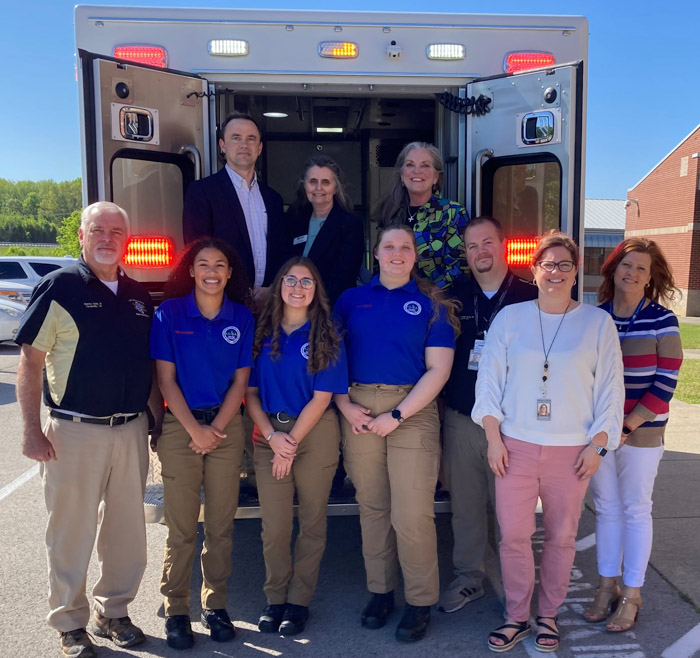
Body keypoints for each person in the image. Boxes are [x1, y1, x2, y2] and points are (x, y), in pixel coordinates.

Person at [15, 202, 158, 658]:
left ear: (127, 241)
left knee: (125, 531)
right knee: (70, 531)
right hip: (74, 431)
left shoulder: (138, 295)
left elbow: (148, 366)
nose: (107, 238)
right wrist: (31, 430)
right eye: (98, 229)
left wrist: (153, 423)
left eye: (117, 231)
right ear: (81, 235)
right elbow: (30, 361)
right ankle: (70, 623)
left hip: (131, 429)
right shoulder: (59, 287)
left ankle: (113, 611)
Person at [472, 231, 624, 653]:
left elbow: (612, 389)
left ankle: (548, 615)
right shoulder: (510, 318)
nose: (555, 272)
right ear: (534, 270)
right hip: (515, 445)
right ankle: (517, 615)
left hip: (572, 451)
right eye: (547, 265)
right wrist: (492, 437)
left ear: (576, 272)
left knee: (560, 537)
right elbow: (489, 383)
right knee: (514, 536)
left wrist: (598, 446)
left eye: (564, 265)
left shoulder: (597, 323)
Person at [334, 225, 459, 643]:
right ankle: (380, 592)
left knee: (412, 513)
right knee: (372, 507)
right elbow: (328, 359)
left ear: (414, 255)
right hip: (358, 409)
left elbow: (439, 370)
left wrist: (399, 414)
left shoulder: (431, 305)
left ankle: (420, 601)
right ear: (376, 253)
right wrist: (342, 405)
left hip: (412, 409)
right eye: (389, 246)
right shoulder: (351, 301)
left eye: (405, 247)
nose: (397, 253)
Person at [150, 238, 254, 650]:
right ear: (190, 271)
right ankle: (177, 610)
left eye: (220, 264)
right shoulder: (169, 313)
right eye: (203, 264)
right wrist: (195, 430)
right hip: (181, 429)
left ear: (230, 273)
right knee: (181, 528)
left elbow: (241, 381)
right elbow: (165, 380)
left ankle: (215, 604)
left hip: (226, 429)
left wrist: (216, 429)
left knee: (221, 526)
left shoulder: (242, 317)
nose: (212, 271)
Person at [584, 238, 683, 632]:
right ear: (613, 270)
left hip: (641, 432)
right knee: (606, 508)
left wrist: (627, 426)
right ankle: (606, 587)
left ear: (650, 277)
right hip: (600, 431)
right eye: (627, 265)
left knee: (636, 509)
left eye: (641, 268)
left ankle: (632, 594)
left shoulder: (662, 320)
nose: (632, 273)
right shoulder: (596, 317)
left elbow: (666, 384)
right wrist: (604, 427)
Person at [245, 257, 348, 636]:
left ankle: (298, 601)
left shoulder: (327, 331)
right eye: (291, 280)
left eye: (307, 281)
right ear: (280, 285)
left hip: (315, 434)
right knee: (273, 526)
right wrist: (274, 439)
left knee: (312, 522)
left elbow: (323, 396)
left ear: (316, 289)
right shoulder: (263, 331)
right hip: (269, 434)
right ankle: (274, 598)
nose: (298, 287)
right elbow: (250, 393)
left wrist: (291, 443)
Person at [439, 216, 536, 614]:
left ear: (503, 245)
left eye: (487, 243)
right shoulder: (452, 297)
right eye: (472, 246)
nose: (480, 252)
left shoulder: (530, 298)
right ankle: (469, 578)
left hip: (515, 424)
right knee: (465, 505)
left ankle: (518, 585)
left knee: (512, 511)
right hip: (462, 419)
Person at [182, 112, 287, 307]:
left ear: (260, 147)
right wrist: (239, 293)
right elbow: (197, 252)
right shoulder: (202, 192)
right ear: (223, 145)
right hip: (222, 305)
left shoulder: (273, 199)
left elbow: (281, 251)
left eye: (251, 139)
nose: (244, 145)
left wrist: (272, 290)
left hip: (268, 306)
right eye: (236, 138)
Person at [377, 141, 469, 289]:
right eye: (410, 165)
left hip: (435, 303)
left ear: (435, 177)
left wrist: (424, 296)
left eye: (425, 165)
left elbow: (458, 269)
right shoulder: (391, 212)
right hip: (393, 298)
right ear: (401, 175)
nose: (416, 171)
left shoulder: (453, 213)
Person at [286, 155, 365, 306]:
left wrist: (318, 311)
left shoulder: (350, 225)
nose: (318, 188)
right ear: (304, 185)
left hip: (328, 311)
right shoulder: (294, 219)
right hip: (291, 307)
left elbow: (344, 278)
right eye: (313, 181)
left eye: (326, 182)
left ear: (336, 187)